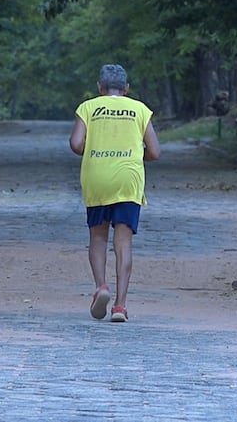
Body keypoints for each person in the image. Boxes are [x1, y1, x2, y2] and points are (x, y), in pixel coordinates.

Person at [69, 64, 161, 322]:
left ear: (99, 87)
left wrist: (96, 150)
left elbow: (76, 144)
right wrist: (131, 154)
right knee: (123, 242)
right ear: (126, 89)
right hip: (128, 179)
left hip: (97, 177)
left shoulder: (88, 107)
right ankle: (120, 306)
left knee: (98, 237)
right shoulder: (140, 109)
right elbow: (154, 152)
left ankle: (101, 287)